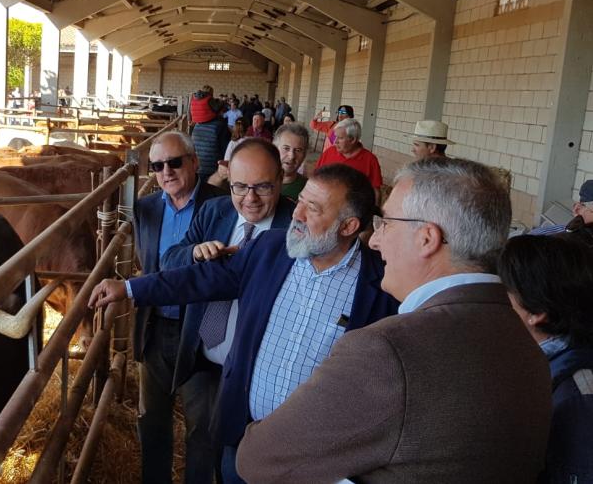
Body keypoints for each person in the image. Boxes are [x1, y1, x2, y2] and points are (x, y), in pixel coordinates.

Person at [236, 157, 552, 482]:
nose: (374, 240)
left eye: (385, 223)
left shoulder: (388, 350)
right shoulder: (527, 344)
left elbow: (258, 459)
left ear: (426, 239)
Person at [90, 164, 398, 484]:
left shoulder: (381, 288)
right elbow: (203, 279)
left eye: (314, 208)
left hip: (316, 459)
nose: (297, 214)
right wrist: (129, 288)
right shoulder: (270, 248)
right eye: (301, 201)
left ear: (348, 226)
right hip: (245, 438)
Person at [157, 139, 297, 478]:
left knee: (243, 452)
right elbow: (169, 260)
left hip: (256, 367)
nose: (249, 199)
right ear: (228, 180)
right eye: (239, 186)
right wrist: (193, 253)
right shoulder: (214, 211)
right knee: (200, 438)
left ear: (280, 180)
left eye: (262, 187)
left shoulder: (296, 225)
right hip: (205, 357)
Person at [130, 131, 225, 484]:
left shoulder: (222, 205)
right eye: (157, 165)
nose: (165, 172)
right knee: (152, 421)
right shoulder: (146, 209)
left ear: (195, 163)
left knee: (201, 427)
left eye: (174, 162)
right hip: (156, 328)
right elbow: (146, 266)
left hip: (201, 332)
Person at [497, 235, 593, 484]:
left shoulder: (577, 397)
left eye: (504, 291)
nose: (495, 301)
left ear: (537, 312)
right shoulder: (537, 360)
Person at [314, 117, 383, 202]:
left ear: (353, 140)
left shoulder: (370, 160)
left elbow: (375, 191)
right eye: (336, 137)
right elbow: (315, 177)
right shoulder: (329, 152)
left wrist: (375, 212)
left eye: (340, 138)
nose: (335, 142)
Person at [275, 123, 309, 201]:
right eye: (286, 148)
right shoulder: (258, 181)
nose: (292, 156)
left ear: (304, 155)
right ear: (275, 149)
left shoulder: (308, 189)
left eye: (298, 150)